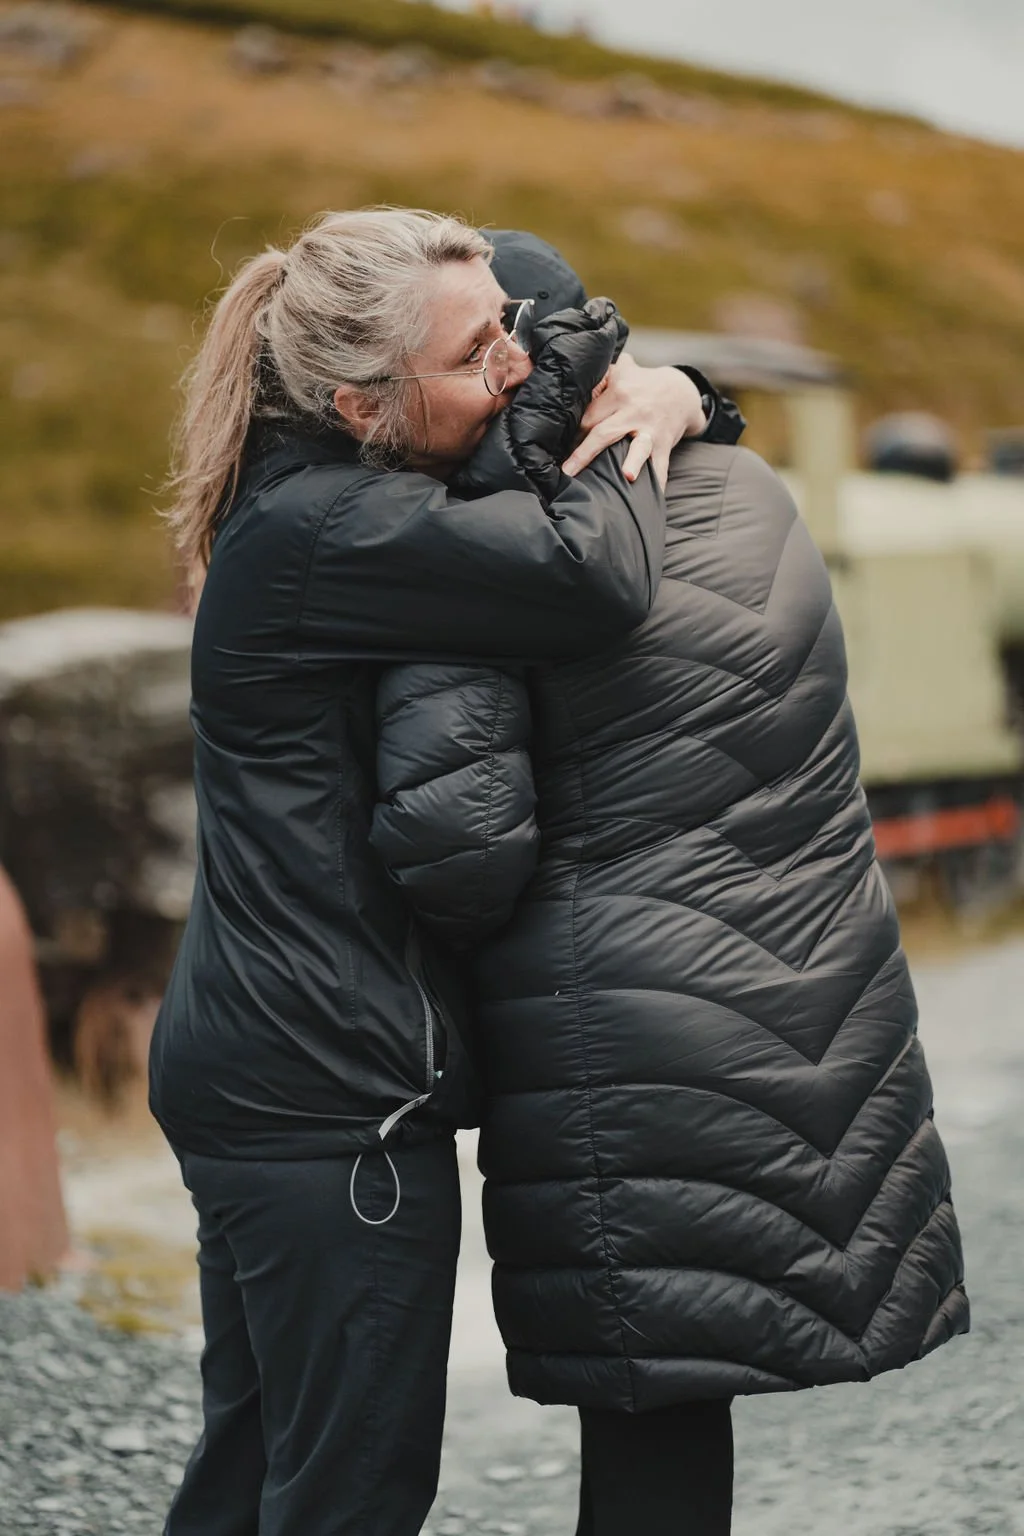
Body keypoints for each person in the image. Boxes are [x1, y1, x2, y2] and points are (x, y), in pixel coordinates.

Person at [149, 206, 733, 1536]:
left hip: (271, 1070)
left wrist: (684, 389)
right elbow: (590, 577)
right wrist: (629, 410)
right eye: (483, 356)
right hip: (327, 1093)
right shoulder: (329, 531)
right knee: (348, 1494)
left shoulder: (315, 503)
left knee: (257, 1474)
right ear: (362, 402)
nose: (519, 368)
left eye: (513, 337)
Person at [371, 252, 969, 1533]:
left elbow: (456, 849)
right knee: (686, 1408)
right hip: (805, 999)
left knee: (646, 1421)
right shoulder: (745, 485)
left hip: (619, 1034)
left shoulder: (492, 544)